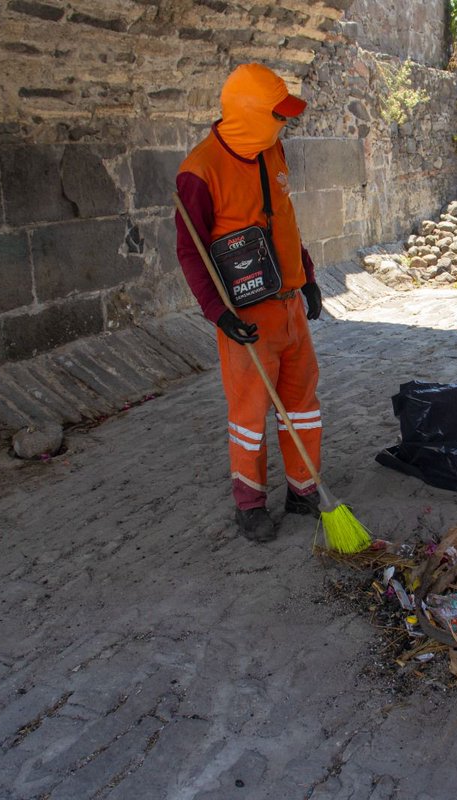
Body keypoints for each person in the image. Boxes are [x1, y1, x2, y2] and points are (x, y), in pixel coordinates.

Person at [174, 63, 325, 543]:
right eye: (277, 116)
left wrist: (309, 279)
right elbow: (189, 249)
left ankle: (304, 490)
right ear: (252, 113)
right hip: (246, 315)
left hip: (289, 307)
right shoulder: (199, 172)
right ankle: (250, 503)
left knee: (301, 406)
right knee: (249, 415)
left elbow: (284, 217)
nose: (285, 124)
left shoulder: (271, 148)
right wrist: (217, 314)